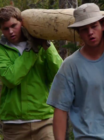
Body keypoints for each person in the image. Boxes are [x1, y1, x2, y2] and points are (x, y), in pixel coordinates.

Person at [47, 3, 104, 140]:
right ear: (78, 33)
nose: (90, 32)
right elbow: (60, 109)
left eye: (94, 26)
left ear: (103, 26)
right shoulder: (70, 66)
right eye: (84, 29)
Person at [0, 6, 63, 140]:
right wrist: (32, 51)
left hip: (44, 121)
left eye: (14, 25)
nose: (11, 31)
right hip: (13, 125)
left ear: (22, 22)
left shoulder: (41, 43)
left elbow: (59, 74)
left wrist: (47, 46)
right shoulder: (1, 50)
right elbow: (11, 79)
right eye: (6, 28)